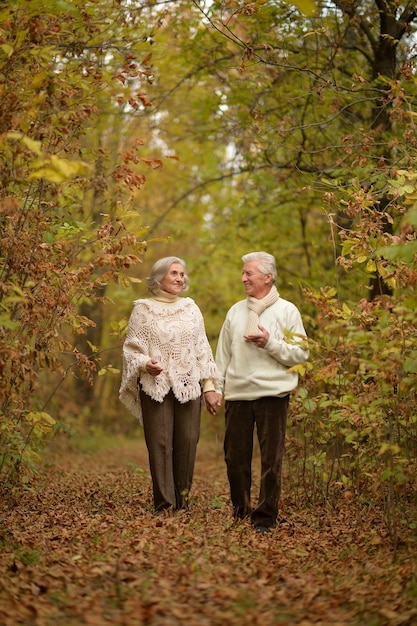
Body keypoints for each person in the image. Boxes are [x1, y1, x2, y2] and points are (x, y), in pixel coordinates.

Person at [206, 251, 309, 533]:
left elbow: (301, 354)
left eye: (248, 273)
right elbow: (222, 356)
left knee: (271, 460)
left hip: (273, 396)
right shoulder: (235, 311)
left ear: (268, 276)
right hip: (238, 396)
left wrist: (269, 343)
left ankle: (265, 518)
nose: (243, 278)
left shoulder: (287, 311)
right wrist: (215, 388)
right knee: (234, 458)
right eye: (243, 273)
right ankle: (241, 512)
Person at [119, 256, 219, 514]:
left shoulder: (191, 309)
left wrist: (209, 387)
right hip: (155, 385)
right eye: (174, 273)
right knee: (160, 443)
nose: (179, 278)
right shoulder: (143, 310)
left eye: (182, 274)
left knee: (188, 441)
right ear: (159, 277)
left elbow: (202, 351)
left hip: (189, 384)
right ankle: (164, 505)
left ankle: (182, 502)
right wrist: (144, 364)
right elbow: (131, 349)